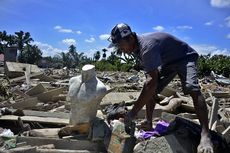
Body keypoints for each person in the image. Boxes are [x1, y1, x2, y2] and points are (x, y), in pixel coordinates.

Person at [108, 23, 213, 153]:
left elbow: (151, 81)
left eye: (120, 45)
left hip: (185, 57)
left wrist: (133, 112)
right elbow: (150, 81)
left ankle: (205, 134)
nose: (120, 49)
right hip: (168, 61)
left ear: (129, 38)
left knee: (192, 88)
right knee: (151, 88)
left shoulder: (146, 46)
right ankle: (148, 122)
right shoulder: (136, 49)